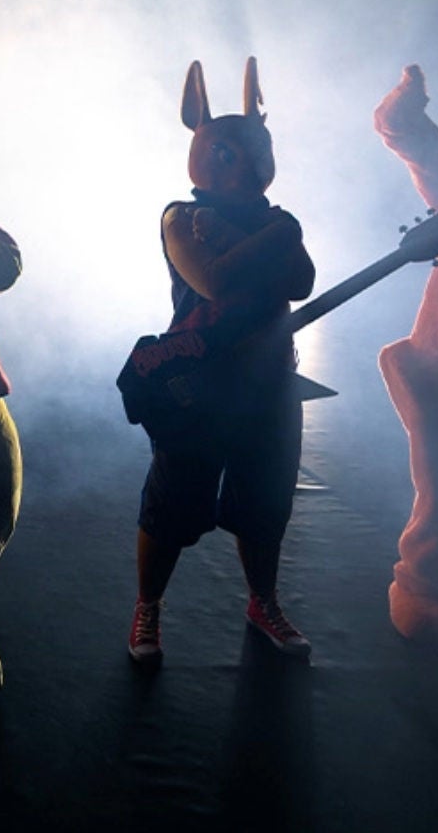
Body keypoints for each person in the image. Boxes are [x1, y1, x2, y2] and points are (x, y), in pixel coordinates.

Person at [128, 58, 315, 664]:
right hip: (197, 380)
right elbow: (211, 281)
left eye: (256, 148)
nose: (248, 162)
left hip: (270, 383)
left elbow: (302, 282)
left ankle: (264, 601)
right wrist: (276, 235)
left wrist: (266, 236)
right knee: (173, 504)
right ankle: (147, 609)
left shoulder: (273, 222)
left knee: (265, 505)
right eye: (234, 151)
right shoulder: (181, 216)